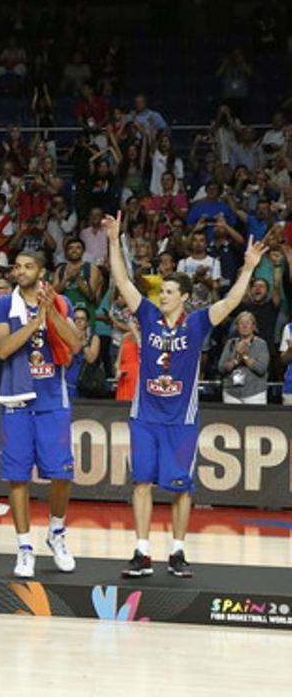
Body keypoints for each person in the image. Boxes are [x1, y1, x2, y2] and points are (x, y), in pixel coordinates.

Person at [104, 210, 265, 578]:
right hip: (145, 415)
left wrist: (247, 269)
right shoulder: (146, 315)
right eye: (161, 291)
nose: (162, 295)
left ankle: (177, 551)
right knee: (141, 482)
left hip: (182, 419)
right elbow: (123, 280)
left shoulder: (196, 322)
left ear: (185, 297)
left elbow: (229, 304)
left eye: (169, 292)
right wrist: (115, 242)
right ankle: (141, 552)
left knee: (180, 487)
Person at [0, 250, 83, 578]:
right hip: (17, 398)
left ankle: (56, 533)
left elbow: (76, 344)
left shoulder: (61, 302)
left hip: (52, 400)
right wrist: (34, 322)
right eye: (17, 266)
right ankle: (24, 547)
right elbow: (2, 348)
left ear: (41, 271)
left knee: (61, 473)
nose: (21, 270)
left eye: (28, 266)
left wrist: (50, 313)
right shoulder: (4, 304)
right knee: (18, 477)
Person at [218, 311, 269, 405]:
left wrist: (244, 357)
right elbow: (221, 368)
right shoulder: (230, 344)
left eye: (248, 323)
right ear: (237, 327)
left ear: (253, 326)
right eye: (241, 323)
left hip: (254, 394)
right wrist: (236, 361)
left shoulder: (260, 344)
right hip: (231, 394)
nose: (244, 326)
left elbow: (261, 369)